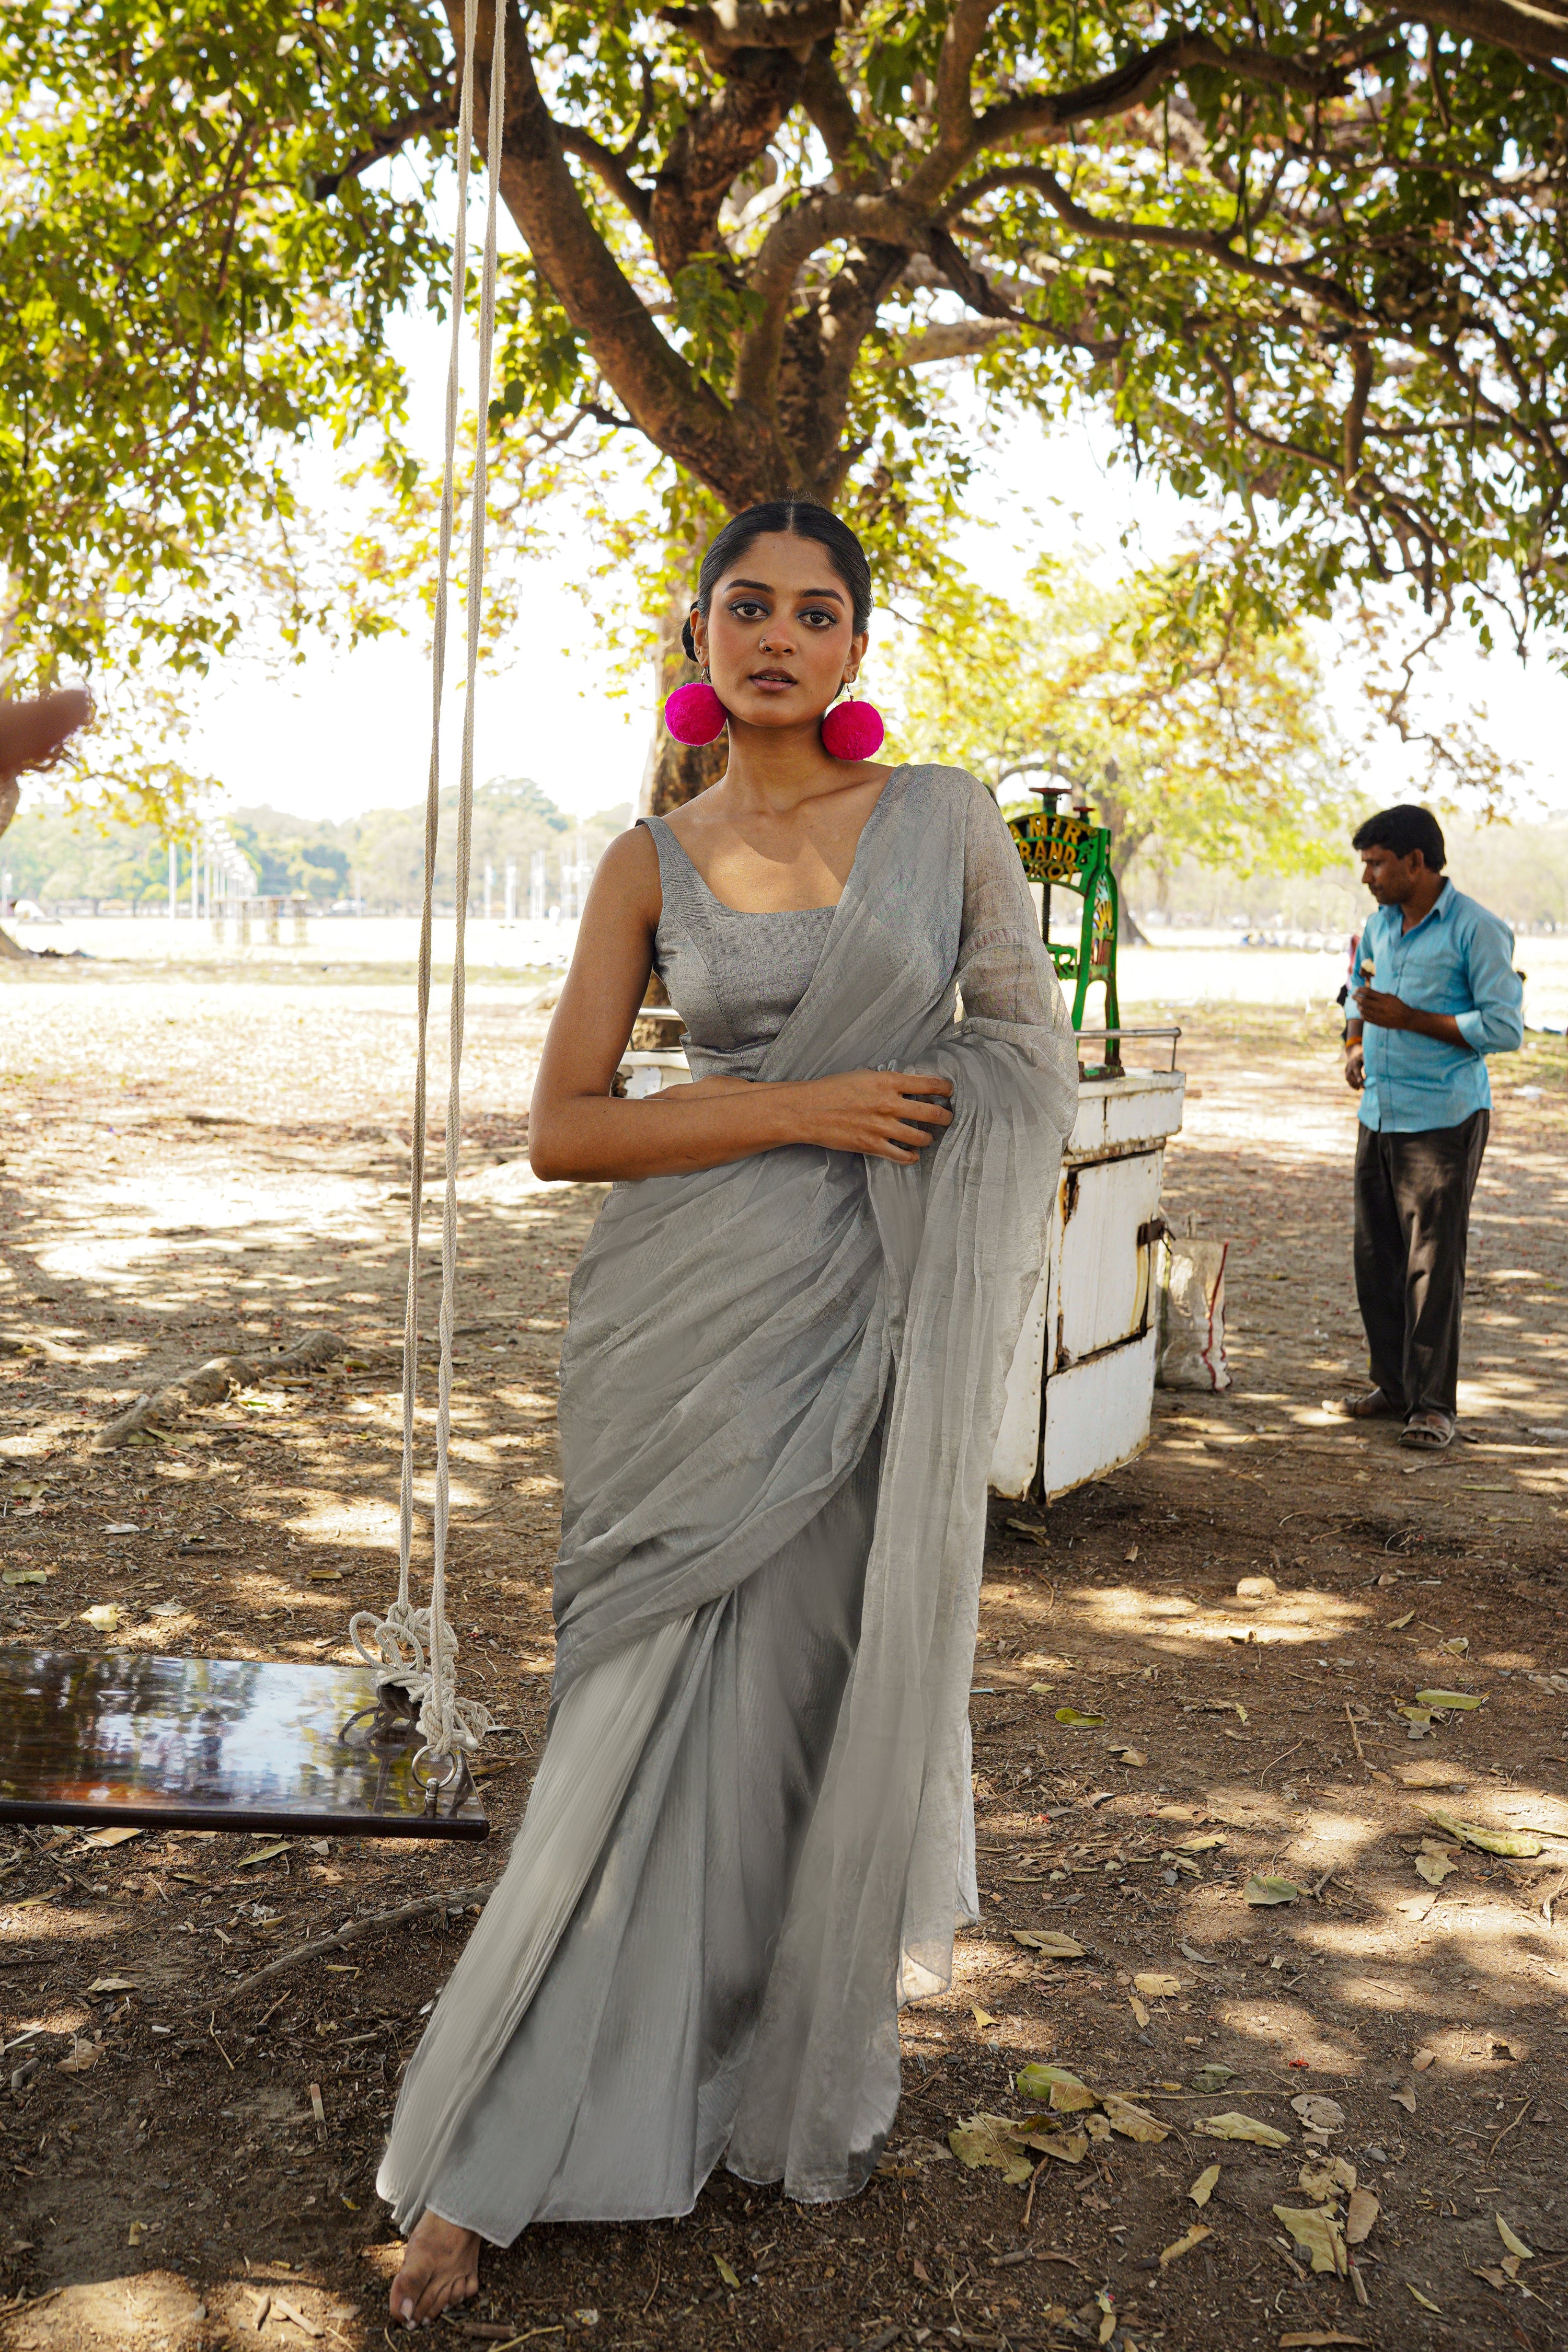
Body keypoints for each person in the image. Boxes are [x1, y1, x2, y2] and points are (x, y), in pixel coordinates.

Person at [381, 502, 1078, 2326]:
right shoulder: (644, 860)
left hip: (866, 1318)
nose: (780, 634)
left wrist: (903, 1114)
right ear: (697, 641)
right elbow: (568, 1129)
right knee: (627, 1714)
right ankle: (489, 2153)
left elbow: (1024, 1054)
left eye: (818, 610)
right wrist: (807, 1105)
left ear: (858, 650)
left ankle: (735, 2067)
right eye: (746, 607)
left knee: (791, 1714)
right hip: (681, 1328)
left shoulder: (941, 822)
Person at [1340, 803, 1523, 1451]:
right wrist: (1355, 1043)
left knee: (1432, 1267)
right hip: (1380, 1115)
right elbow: (1355, 988)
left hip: (1443, 1119)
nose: (1368, 877)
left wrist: (1408, 1018)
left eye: (1378, 863)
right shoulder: (1378, 926)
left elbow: (1504, 1029)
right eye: (1365, 863)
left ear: (1417, 862)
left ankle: (1434, 1406)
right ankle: (1393, 1388)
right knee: (1377, 1259)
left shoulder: (1478, 930)